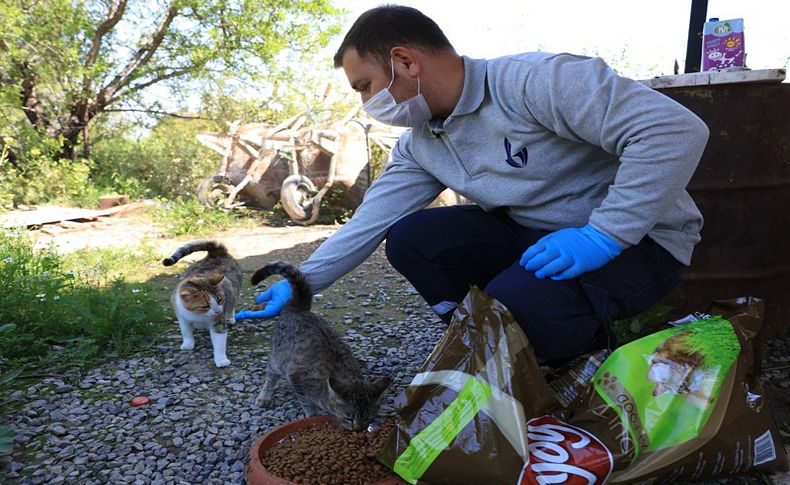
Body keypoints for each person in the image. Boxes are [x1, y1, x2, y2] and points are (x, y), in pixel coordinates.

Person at [236, 5, 709, 365]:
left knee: (521, 312)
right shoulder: (422, 142)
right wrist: (304, 282)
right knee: (411, 238)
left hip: (639, 242)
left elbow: (674, 131)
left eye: (364, 86)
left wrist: (603, 235)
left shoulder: (533, 81)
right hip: (538, 237)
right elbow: (370, 221)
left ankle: (572, 353)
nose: (366, 102)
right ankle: (490, 346)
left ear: (404, 61)